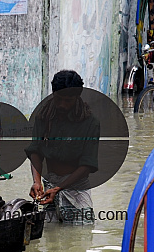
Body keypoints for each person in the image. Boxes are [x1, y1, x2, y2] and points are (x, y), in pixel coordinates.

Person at [26, 70, 99, 224]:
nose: (62, 105)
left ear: (77, 97)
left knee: (81, 236)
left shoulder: (90, 122)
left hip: (77, 188)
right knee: (50, 237)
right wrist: (37, 181)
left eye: (68, 100)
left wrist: (59, 188)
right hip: (49, 184)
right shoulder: (44, 116)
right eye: (58, 99)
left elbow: (87, 165)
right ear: (53, 94)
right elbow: (36, 151)